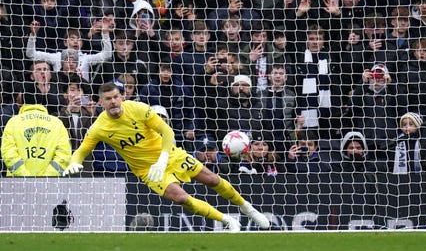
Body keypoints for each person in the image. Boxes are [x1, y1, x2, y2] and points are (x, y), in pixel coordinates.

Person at [62, 82, 270, 232]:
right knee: (181, 198)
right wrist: (74, 162)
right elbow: (82, 149)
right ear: (101, 102)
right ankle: (227, 220)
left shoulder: (139, 109)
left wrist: (162, 159)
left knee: (213, 179)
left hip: (170, 155)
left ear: (122, 97)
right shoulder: (99, 127)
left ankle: (248, 209)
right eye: (108, 99)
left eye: (116, 97)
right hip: (147, 171)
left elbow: (167, 132)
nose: (114, 102)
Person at [1, 93, 72, 176]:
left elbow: (8, 153)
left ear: (21, 103)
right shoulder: (57, 123)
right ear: (41, 102)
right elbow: (64, 154)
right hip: (49, 186)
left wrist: (24, 176)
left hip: (17, 185)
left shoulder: (13, 122)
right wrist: (47, 178)